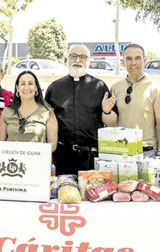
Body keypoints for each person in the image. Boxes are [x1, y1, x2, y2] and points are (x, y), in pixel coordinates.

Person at [45, 44, 117, 174]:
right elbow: (46, 123)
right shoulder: (54, 88)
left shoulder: (99, 86)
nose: (77, 60)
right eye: (73, 56)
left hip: (91, 157)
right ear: (67, 59)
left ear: (88, 61)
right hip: (62, 158)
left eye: (82, 57)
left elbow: (112, 123)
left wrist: (106, 111)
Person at [110, 43, 160, 156]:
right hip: (121, 150)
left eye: (137, 58)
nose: (133, 62)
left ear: (144, 60)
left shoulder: (155, 88)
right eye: (129, 59)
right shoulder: (115, 88)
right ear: (123, 62)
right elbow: (111, 122)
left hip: (147, 151)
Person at [0, 70, 57, 149]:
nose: (27, 87)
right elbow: (0, 144)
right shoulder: (7, 112)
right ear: (17, 88)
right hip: (12, 160)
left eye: (30, 83)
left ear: (36, 88)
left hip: (37, 160)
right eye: (22, 84)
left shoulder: (47, 112)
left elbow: (52, 145)